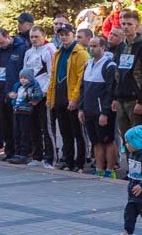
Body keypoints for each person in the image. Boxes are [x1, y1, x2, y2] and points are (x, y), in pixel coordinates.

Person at [111, 10, 142, 168]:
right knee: (126, 138)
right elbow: (117, 73)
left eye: (129, 24)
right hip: (121, 97)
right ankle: (131, 170)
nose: (126, 27)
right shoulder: (121, 46)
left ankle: (140, 169)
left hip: (135, 99)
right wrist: (115, 97)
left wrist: (141, 100)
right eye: (123, 24)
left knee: (137, 138)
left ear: (137, 25)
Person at [48, 24, 89, 172]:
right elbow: (53, 76)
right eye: (61, 35)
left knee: (77, 132)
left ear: (73, 34)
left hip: (71, 98)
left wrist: (74, 98)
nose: (64, 37)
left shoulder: (80, 53)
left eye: (67, 34)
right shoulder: (58, 53)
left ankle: (80, 162)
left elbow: (80, 78)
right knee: (65, 133)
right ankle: (68, 161)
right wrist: (50, 97)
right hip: (59, 97)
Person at [81, 36, 118, 177]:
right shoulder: (88, 64)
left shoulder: (109, 65)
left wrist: (105, 112)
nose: (91, 49)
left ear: (103, 47)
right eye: (90, 46)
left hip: (102, 111)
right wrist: (81, 108)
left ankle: (110, 170)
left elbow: (110, 91)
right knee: (96, 141)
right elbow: (83, 88)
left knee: (107, 141)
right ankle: (99, 168)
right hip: (89, 110)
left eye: (94, 46)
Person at [22, 27, 56, 168]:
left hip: (44, 96)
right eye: (32, 37)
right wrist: (26, 91)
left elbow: (51, 74)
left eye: (36, 36)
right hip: (31, 96)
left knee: (46, 128)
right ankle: (37, 156)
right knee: (33, 127)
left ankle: (50, 158)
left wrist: (41, 93)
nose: (34, 39)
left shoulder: (49, 50)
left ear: (44, 36)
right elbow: (25, 74)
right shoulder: (28, 52)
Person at [0, 28, 26, 160]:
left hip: (14, 93)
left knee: (16, 125)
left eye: (1, 42)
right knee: (4, 125)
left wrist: (20, 90)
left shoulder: (20, 48)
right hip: (0, 92)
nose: (0, 45)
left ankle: (19, 152)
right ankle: (9, 151)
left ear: (8, 37)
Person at [7, 68, 43, 165]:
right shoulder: (17, 86)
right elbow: (12, 95)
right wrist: (11, 96)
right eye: (21, 78)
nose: (22, 80)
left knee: (24, 134)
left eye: (25, 78)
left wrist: (28, 95)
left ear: (30, 78)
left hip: (26, 112)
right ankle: (17, 153)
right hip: (16, 111)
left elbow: (39, 95)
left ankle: (24, 155)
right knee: (16, 133)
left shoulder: (34, 85)